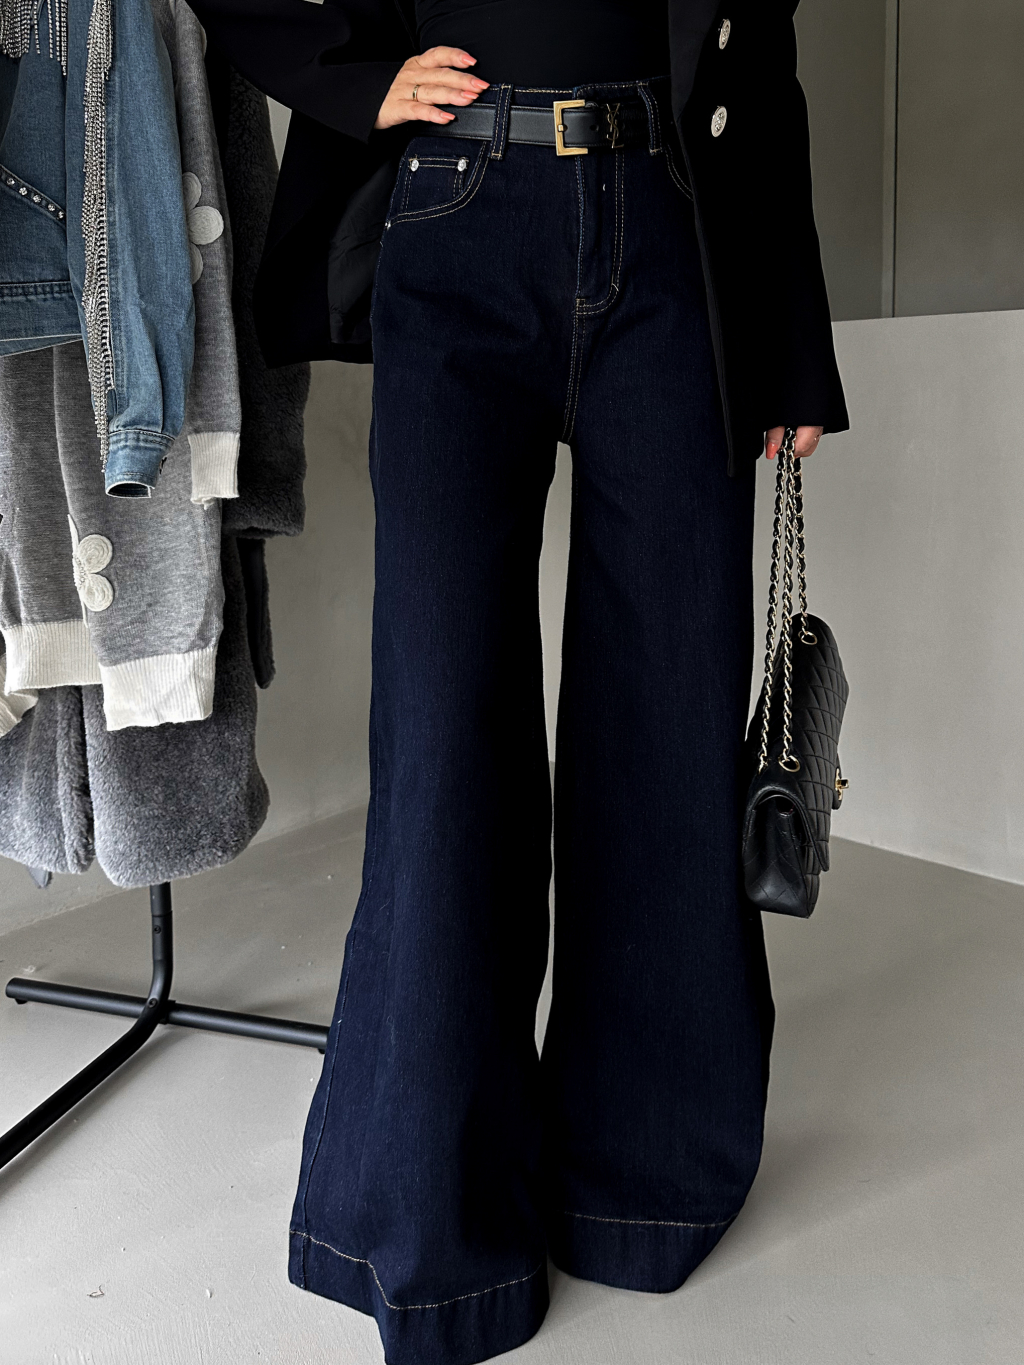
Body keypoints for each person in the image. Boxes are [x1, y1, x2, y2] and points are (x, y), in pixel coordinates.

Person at [191, 3, 849, 1363]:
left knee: (670, 723)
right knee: (447, 735)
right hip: (459, 210)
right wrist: (348, 80)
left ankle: (640, 1190)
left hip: (676, 224)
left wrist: (789, 332)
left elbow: (761, 47)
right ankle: (434, 1235)